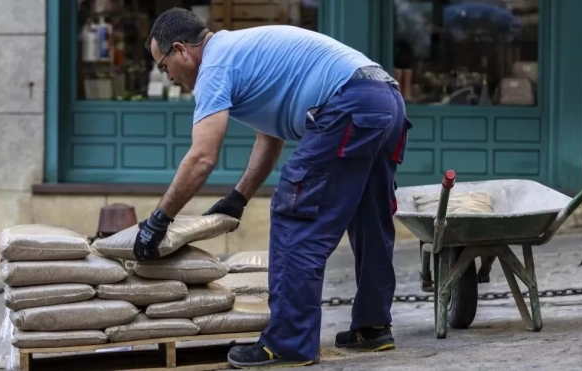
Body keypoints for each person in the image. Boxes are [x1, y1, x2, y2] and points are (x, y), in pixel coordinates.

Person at [134, 7, 412, 369]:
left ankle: (289, 344)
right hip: (384, 98)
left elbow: (202, 157)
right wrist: (238, 198)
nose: (168, 76)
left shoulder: (215, 68)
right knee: (369, 216)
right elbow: (271, 136)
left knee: (294, 215)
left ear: (181, 50)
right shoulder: (242, 53)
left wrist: (159, 219)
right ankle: (373, 327)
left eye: (163, 64)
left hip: (348, 103)